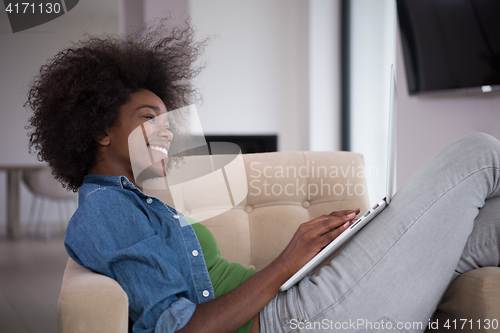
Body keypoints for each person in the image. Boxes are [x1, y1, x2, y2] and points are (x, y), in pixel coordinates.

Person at [26, 20, 500, 333]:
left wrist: (312, 256)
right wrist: (286, 263)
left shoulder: (138, 199)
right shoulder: (107, 210)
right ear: (100, 130)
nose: (166, 133)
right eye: (151, 118)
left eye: (168, 122)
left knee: (487, 223)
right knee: (478, 154)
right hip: (296, 317)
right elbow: (181, 328)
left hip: (301, 298)